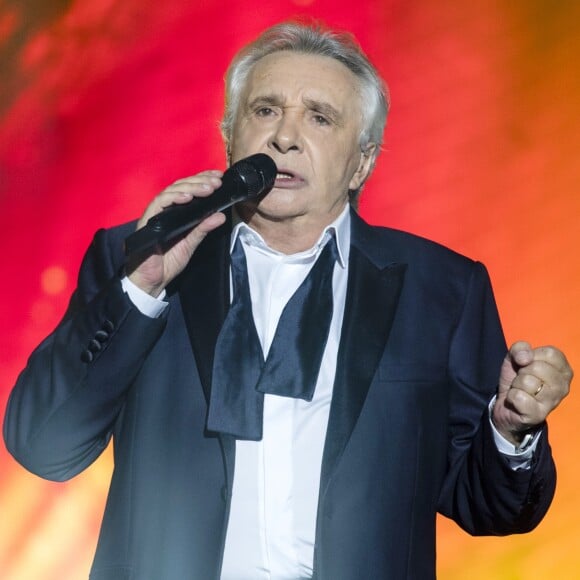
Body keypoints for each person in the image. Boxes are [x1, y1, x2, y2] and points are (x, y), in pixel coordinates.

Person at [3, 21, 573, 580]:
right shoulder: (141, 257)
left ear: (363, 162)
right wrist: (141, 287)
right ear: (231, 136)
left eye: (320, 117)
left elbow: (493, 508)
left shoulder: (441, 289)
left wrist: (509, 429)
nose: (284, 137)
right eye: (265, 110)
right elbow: (44, 446)